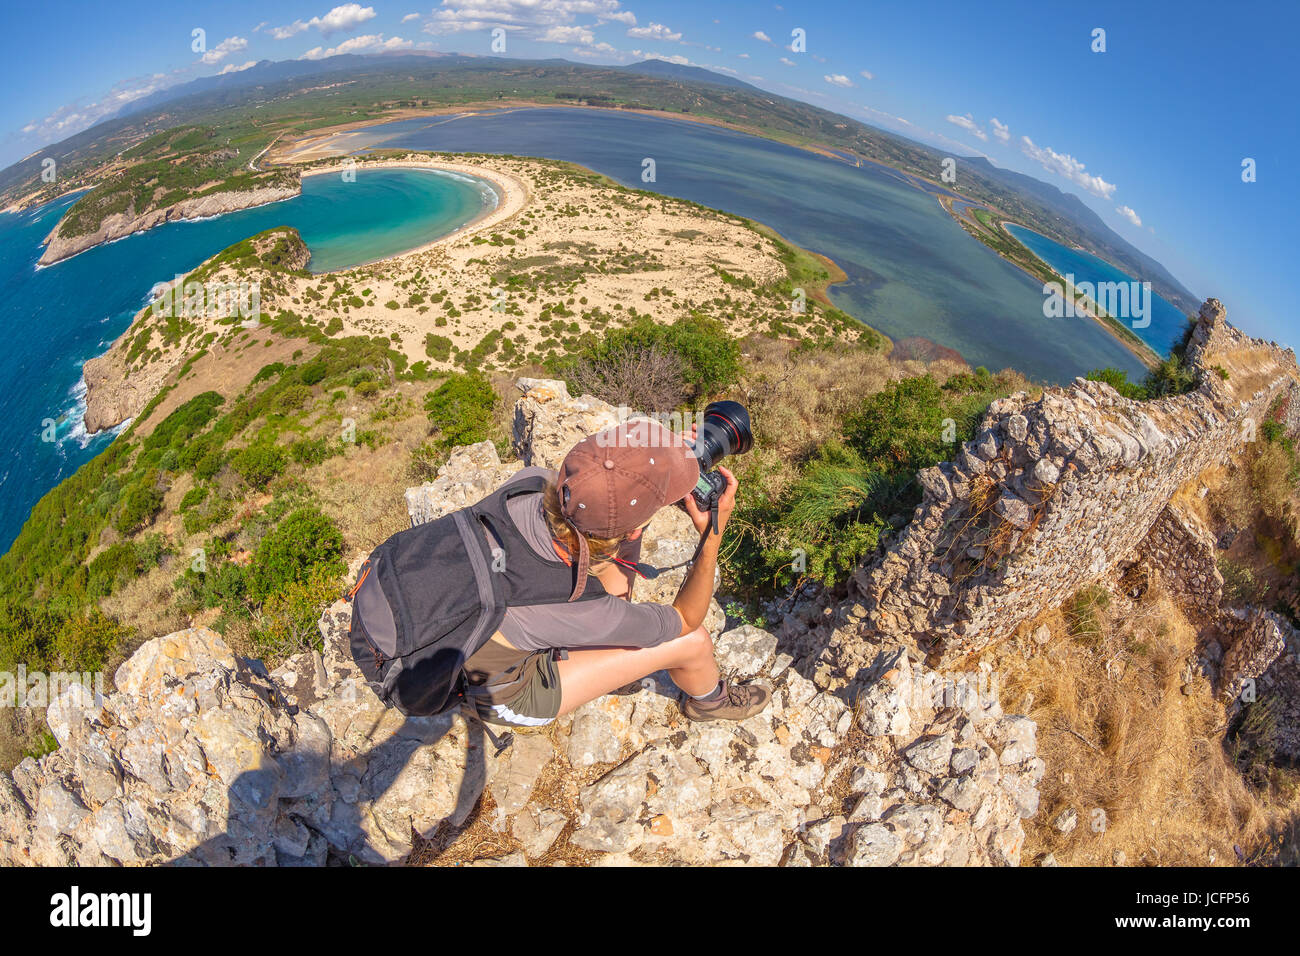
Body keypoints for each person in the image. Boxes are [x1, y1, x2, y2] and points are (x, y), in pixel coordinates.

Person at [460, 416, 772, 729]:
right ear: (634, 532)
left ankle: (605, 653)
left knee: (600, 537)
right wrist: (711, 540)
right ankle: (710, 702)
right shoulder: (592, 612)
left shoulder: (529, 483)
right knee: (693, 643)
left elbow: (595, 510)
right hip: (503, 692)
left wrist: (656, 467)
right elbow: (686, 621)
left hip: (474, 624)